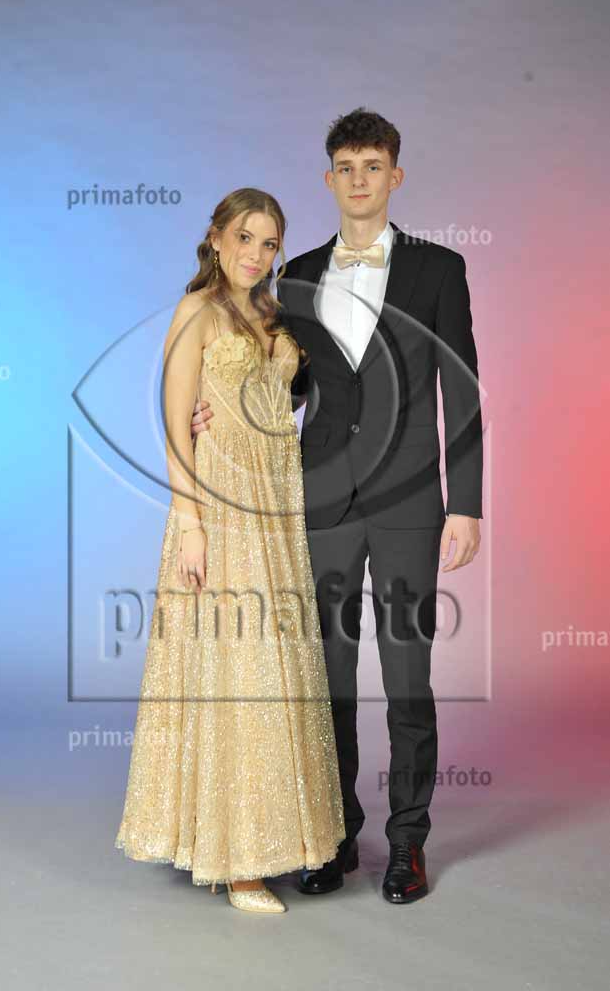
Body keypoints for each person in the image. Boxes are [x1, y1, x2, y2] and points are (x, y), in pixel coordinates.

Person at [190, 109, 483, 904]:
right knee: (326, 679)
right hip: (319, 499)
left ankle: (407, 841)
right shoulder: (296, 272)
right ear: (329, 179)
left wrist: (466, 504)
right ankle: (336, 836)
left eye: (372, 165)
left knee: (408, 675)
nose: (359, 179)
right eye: (345, 167)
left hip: (409, 501)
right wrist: (217, 402)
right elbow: (286, 383)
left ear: (394, 176)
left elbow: (460, 391)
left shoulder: (439, 268)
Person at [115, 187, 346, 914]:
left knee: (277, 665)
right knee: (237, 664)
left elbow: (283, 400)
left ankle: (282, 836)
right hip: (219, 507)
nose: (256, 254)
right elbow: (173, 425)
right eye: (244, 237)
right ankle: (238, 858)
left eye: (269, 243)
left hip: (276, 505)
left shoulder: (276, 315)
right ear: (215, 238)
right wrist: (190, 522)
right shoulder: (196, 312)